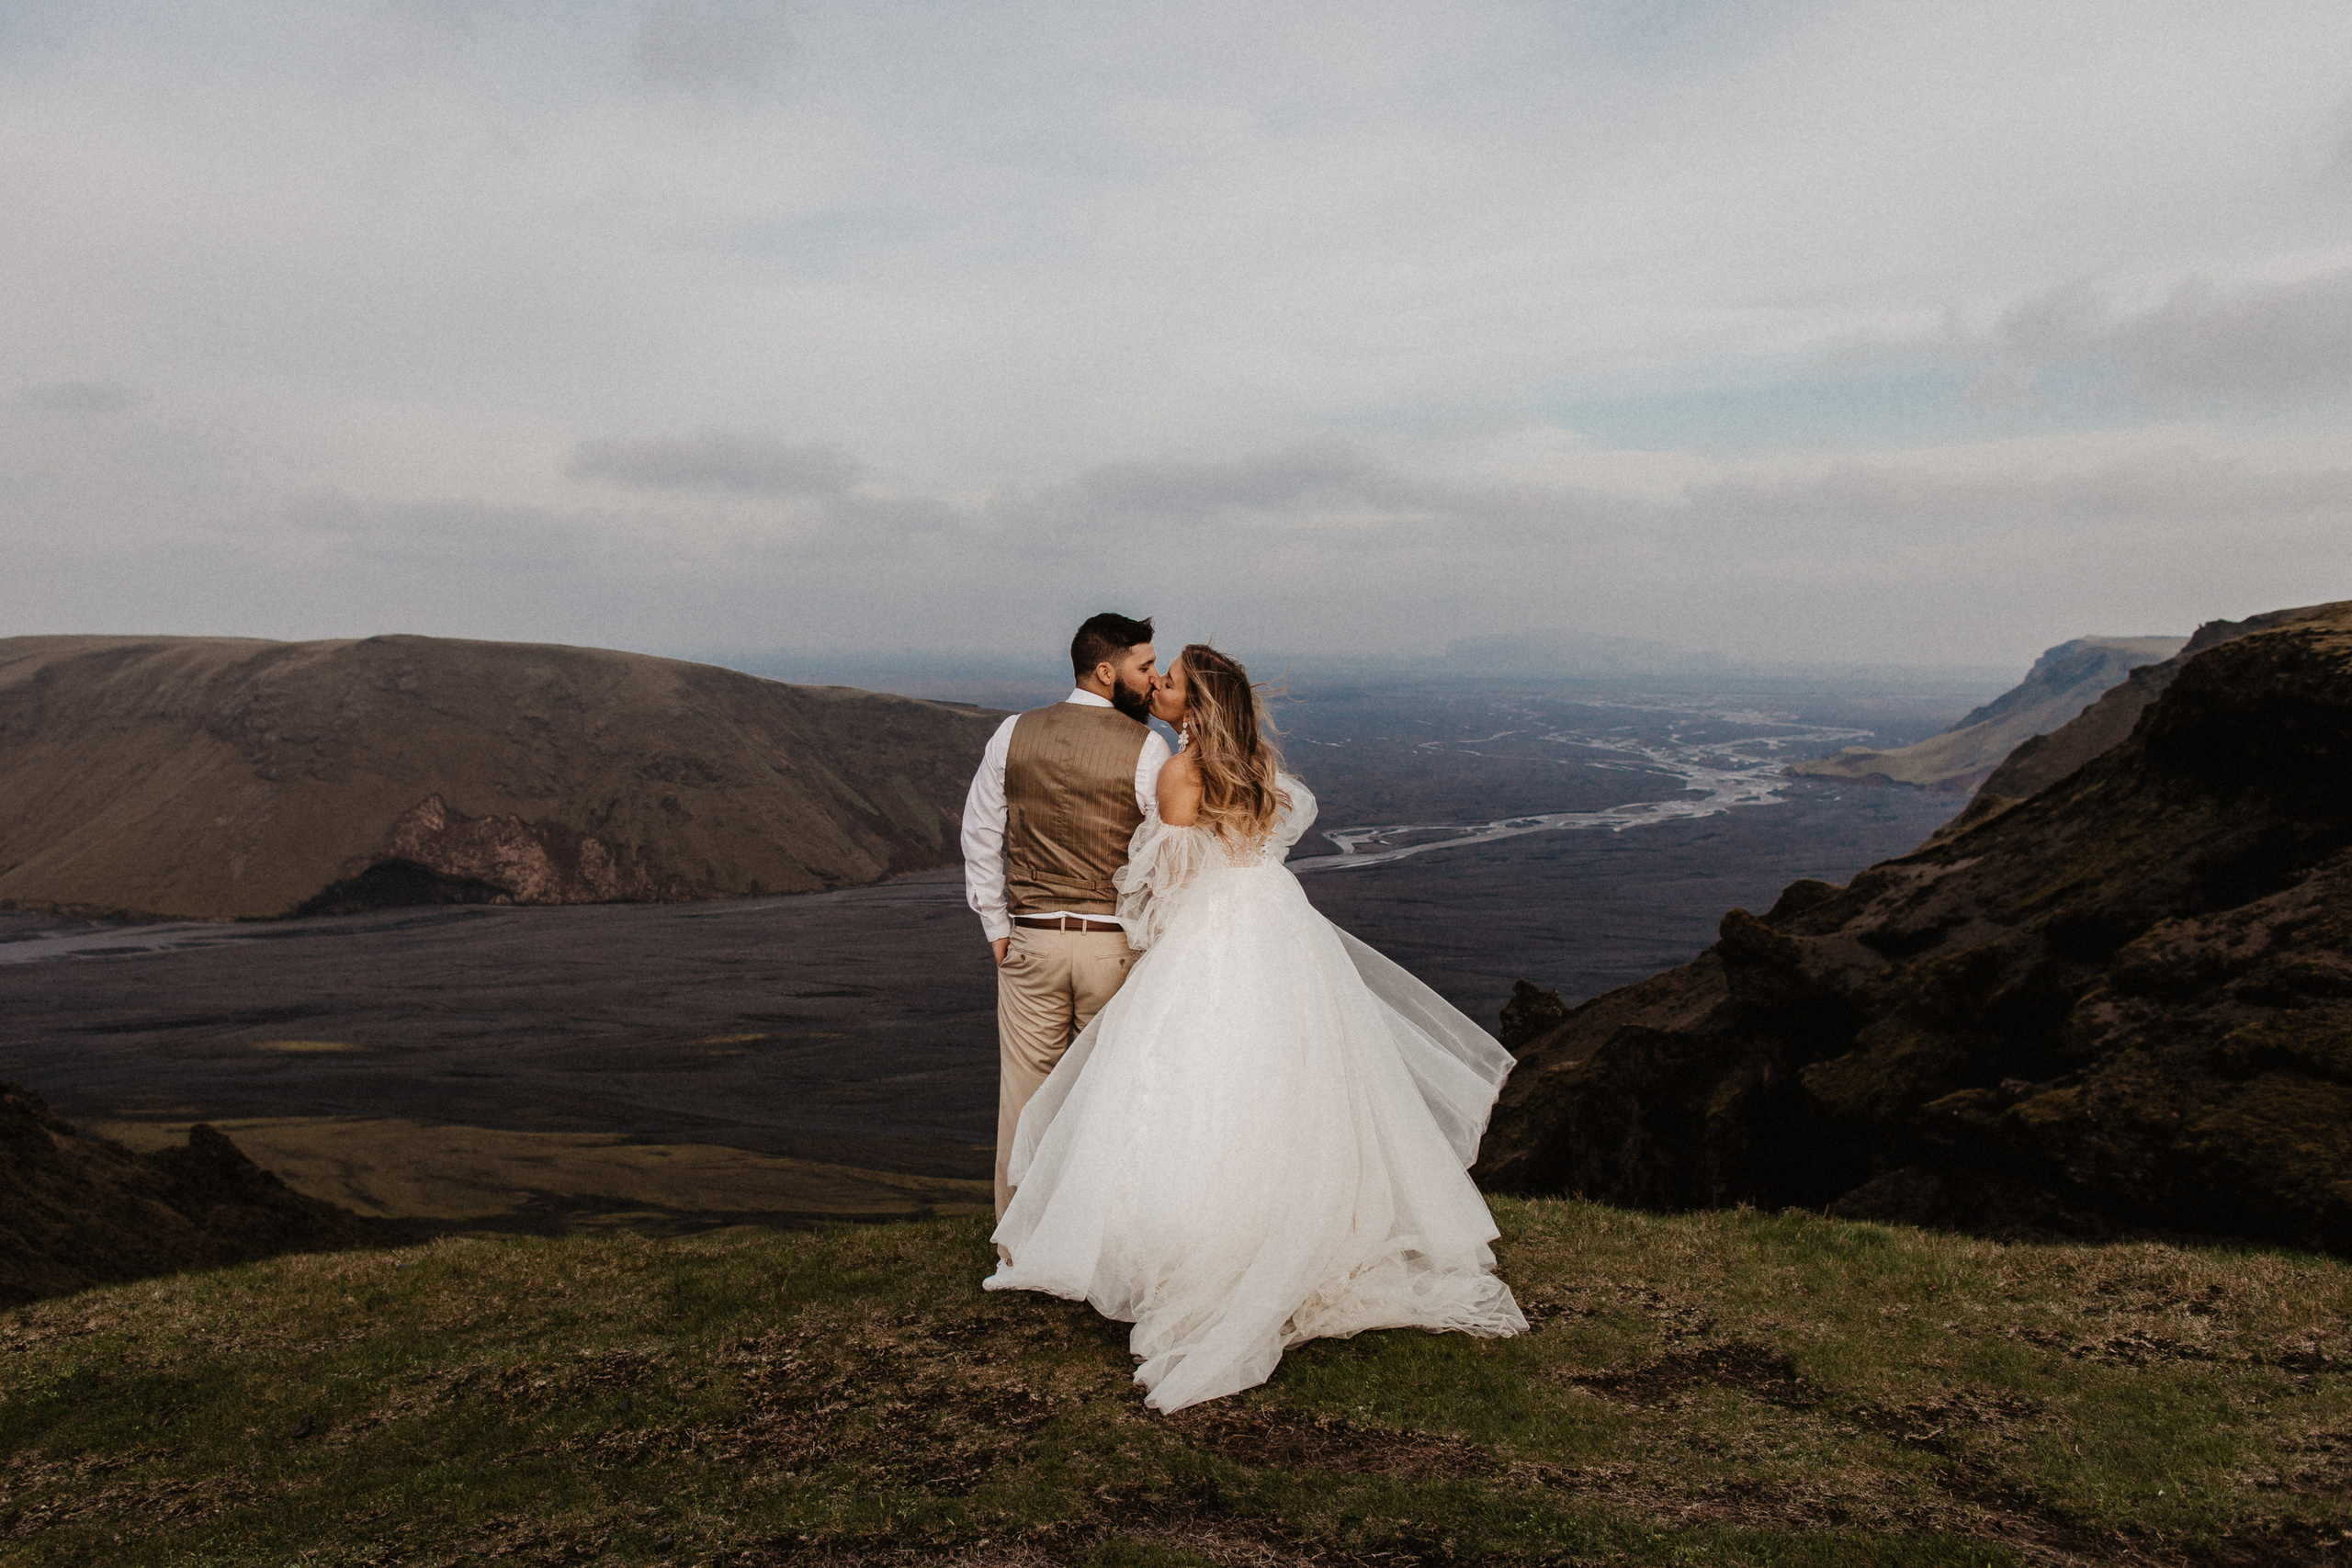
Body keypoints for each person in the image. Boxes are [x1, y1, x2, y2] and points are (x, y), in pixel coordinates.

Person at [985, 642, 1526, 1414]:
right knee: (1281, 1076)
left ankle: (1203, 1243)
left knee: (1198, 1082)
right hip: (1277, 923)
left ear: (1194, 708)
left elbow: (1167, 886)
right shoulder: (1259, 768)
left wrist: (1151, 952)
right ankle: (1290, 1219)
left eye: (1169, 683)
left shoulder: (1181, 772)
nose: (1158, 688)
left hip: (1216, 930)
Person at [961, 613, 1172, 1217]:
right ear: (1106, 671)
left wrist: (997, 927)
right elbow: (1160, 856)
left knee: (1024, 1102)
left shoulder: (1013, 733)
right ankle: (1094, 1238)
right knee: (1108, 1099)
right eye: (1144, 667)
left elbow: (980, 833)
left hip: (1033, 942)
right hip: (1113, 947)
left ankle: (1016, 1244)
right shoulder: (1147, 747)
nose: (1153, 680)